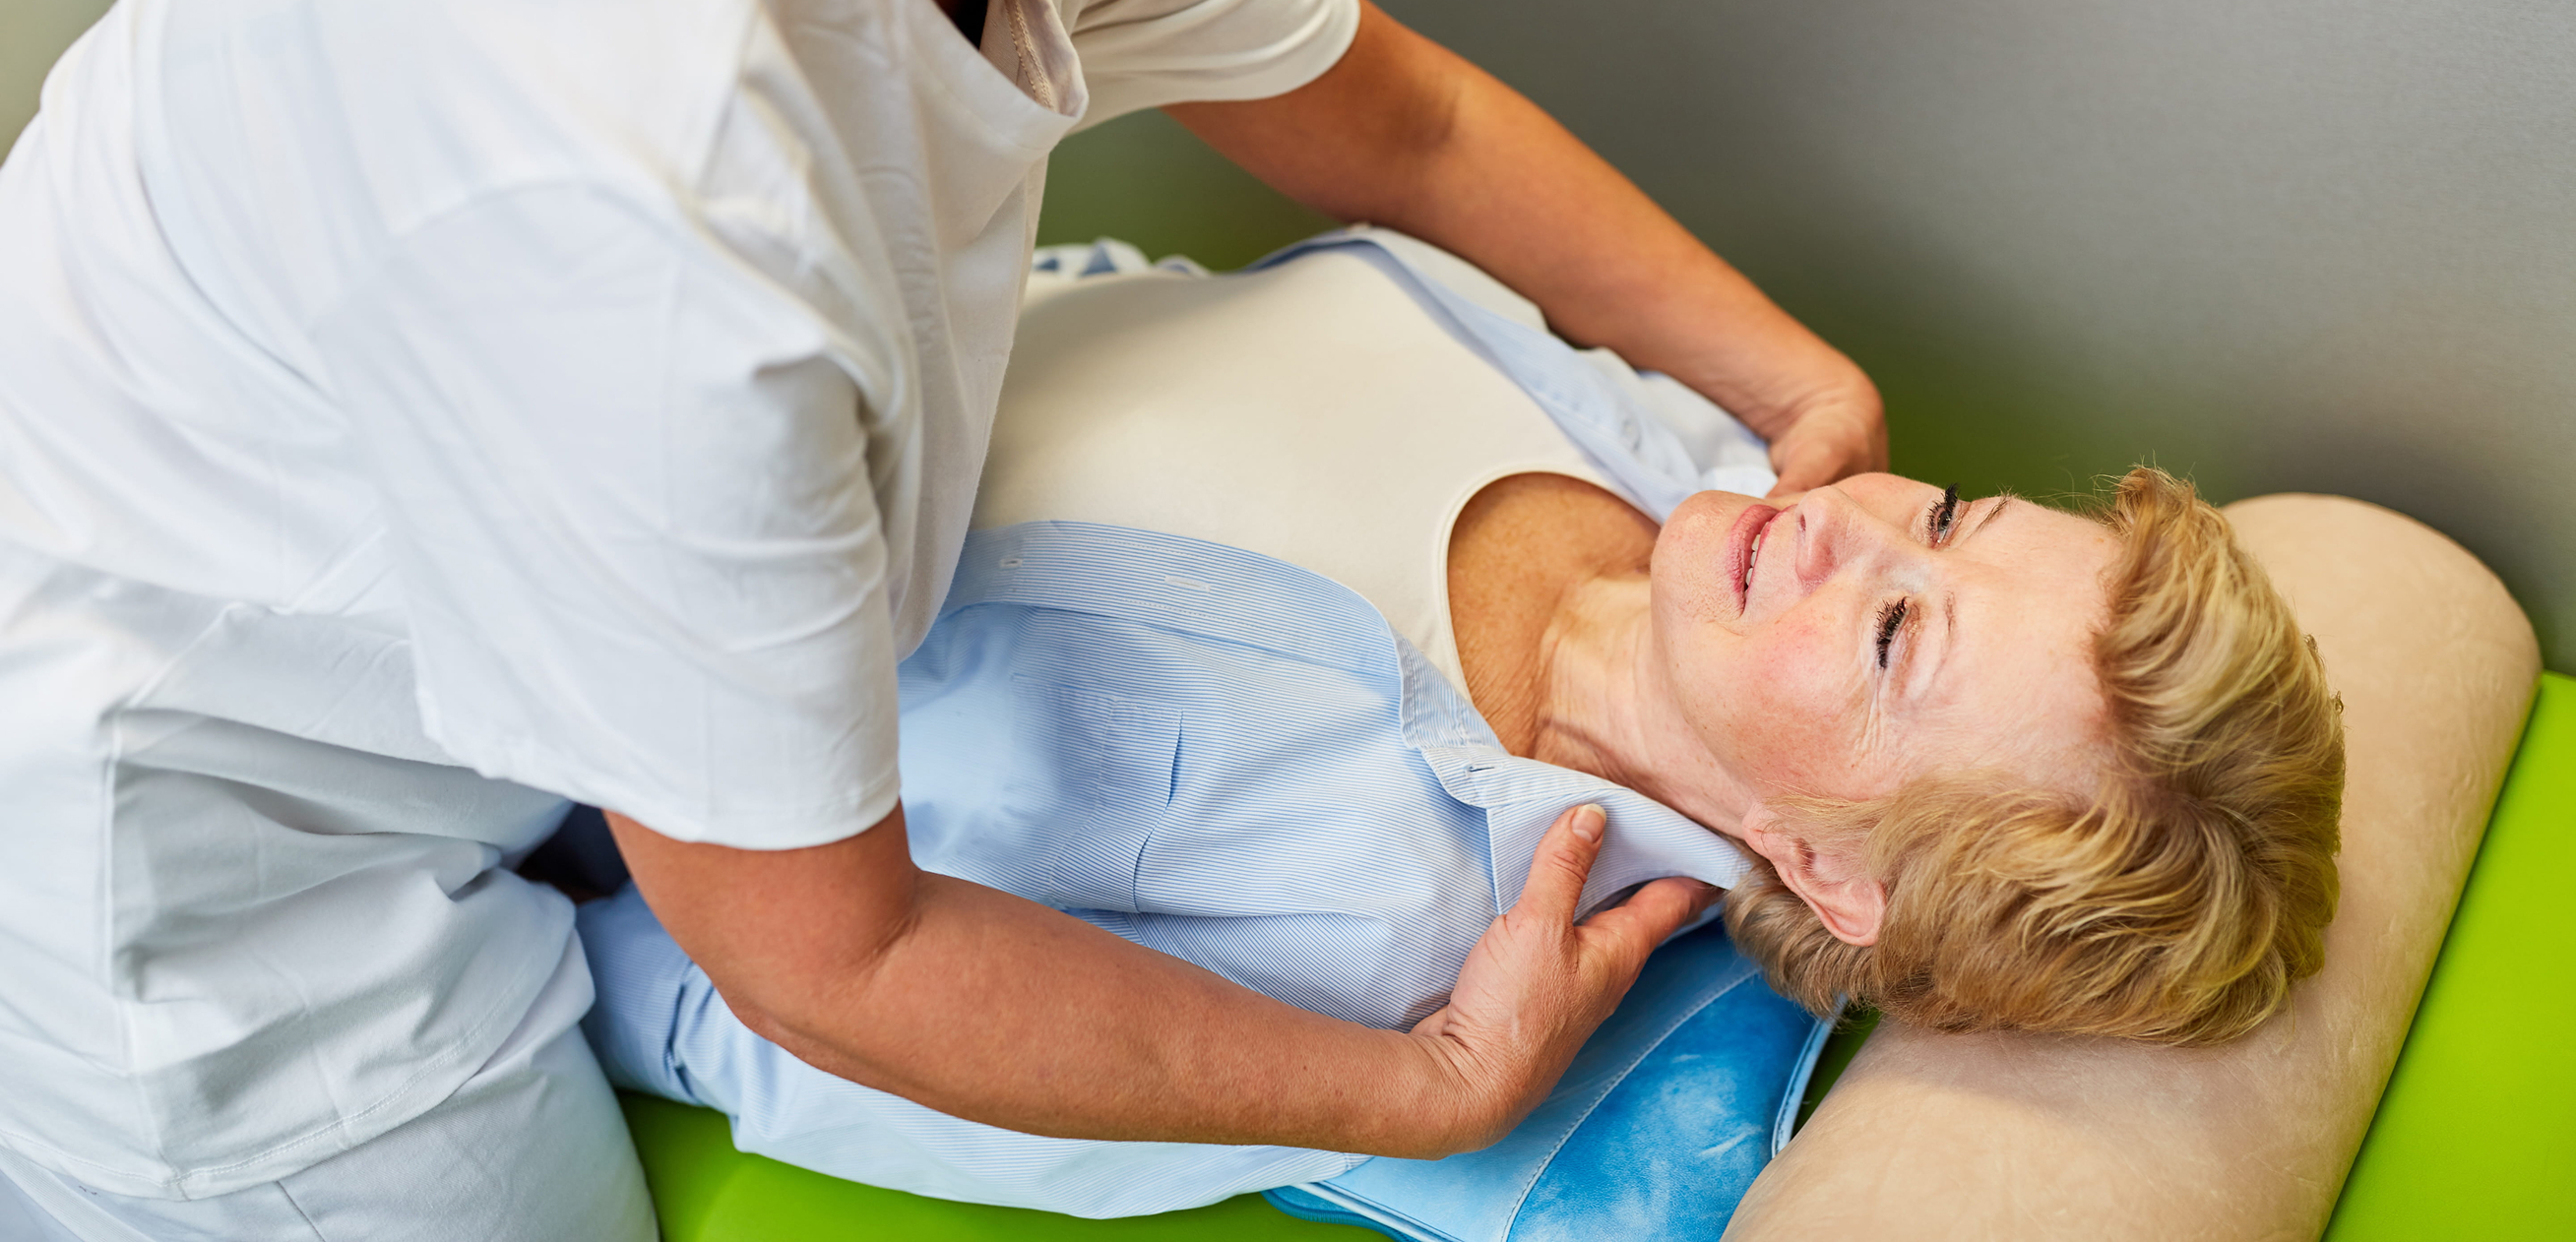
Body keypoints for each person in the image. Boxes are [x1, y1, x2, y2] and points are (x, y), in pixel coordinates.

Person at [0, 0, 1890, 1238]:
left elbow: (1403, 119)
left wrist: (1791, 380)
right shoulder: (650, 206)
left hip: (461, 646)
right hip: (215, 855)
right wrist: (1424, 1084)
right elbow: (832, 963)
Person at [575, 230, 2348, 1217]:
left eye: (1894, 636)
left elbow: (788, 1027)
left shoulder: (1383, 940)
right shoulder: (1678, 439)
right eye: (1952, 513)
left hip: (556, 663)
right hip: (718, 275)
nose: (1853, 523)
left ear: (1834, 874)